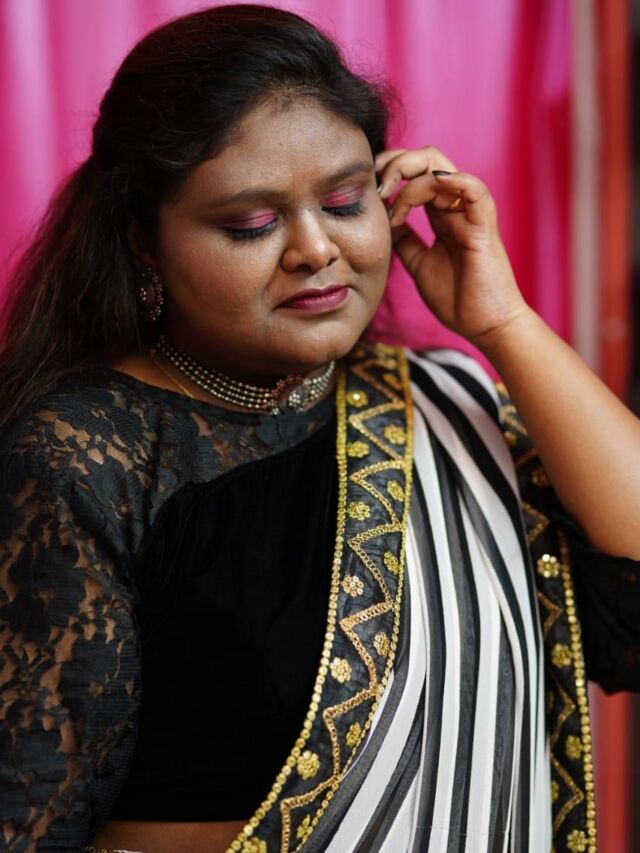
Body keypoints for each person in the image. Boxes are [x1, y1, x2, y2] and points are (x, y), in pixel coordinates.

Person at [0, 5, 639, 853]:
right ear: (143, 243)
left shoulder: (447, 407)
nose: (315, 248)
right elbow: (31, 819)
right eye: (252, 224)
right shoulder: (86, 455)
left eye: (344, 201)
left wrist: (505, 325)